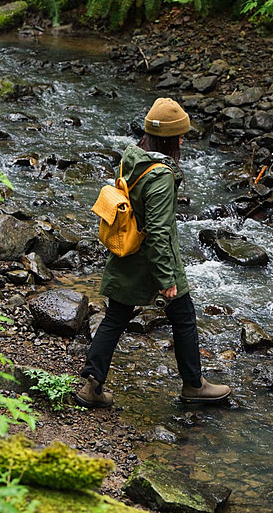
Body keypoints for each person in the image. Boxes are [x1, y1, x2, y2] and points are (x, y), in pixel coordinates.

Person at [75, 98, 232, 408]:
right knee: (184, 316)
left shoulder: (133, 158)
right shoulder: (160, 176)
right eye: (180, 135)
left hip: (128, 253)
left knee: (116, 317)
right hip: (153, 260)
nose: (183, 140)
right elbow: (159, 231)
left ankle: (91, 387)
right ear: (170, 138)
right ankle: (194, 385)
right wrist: (167, 278)